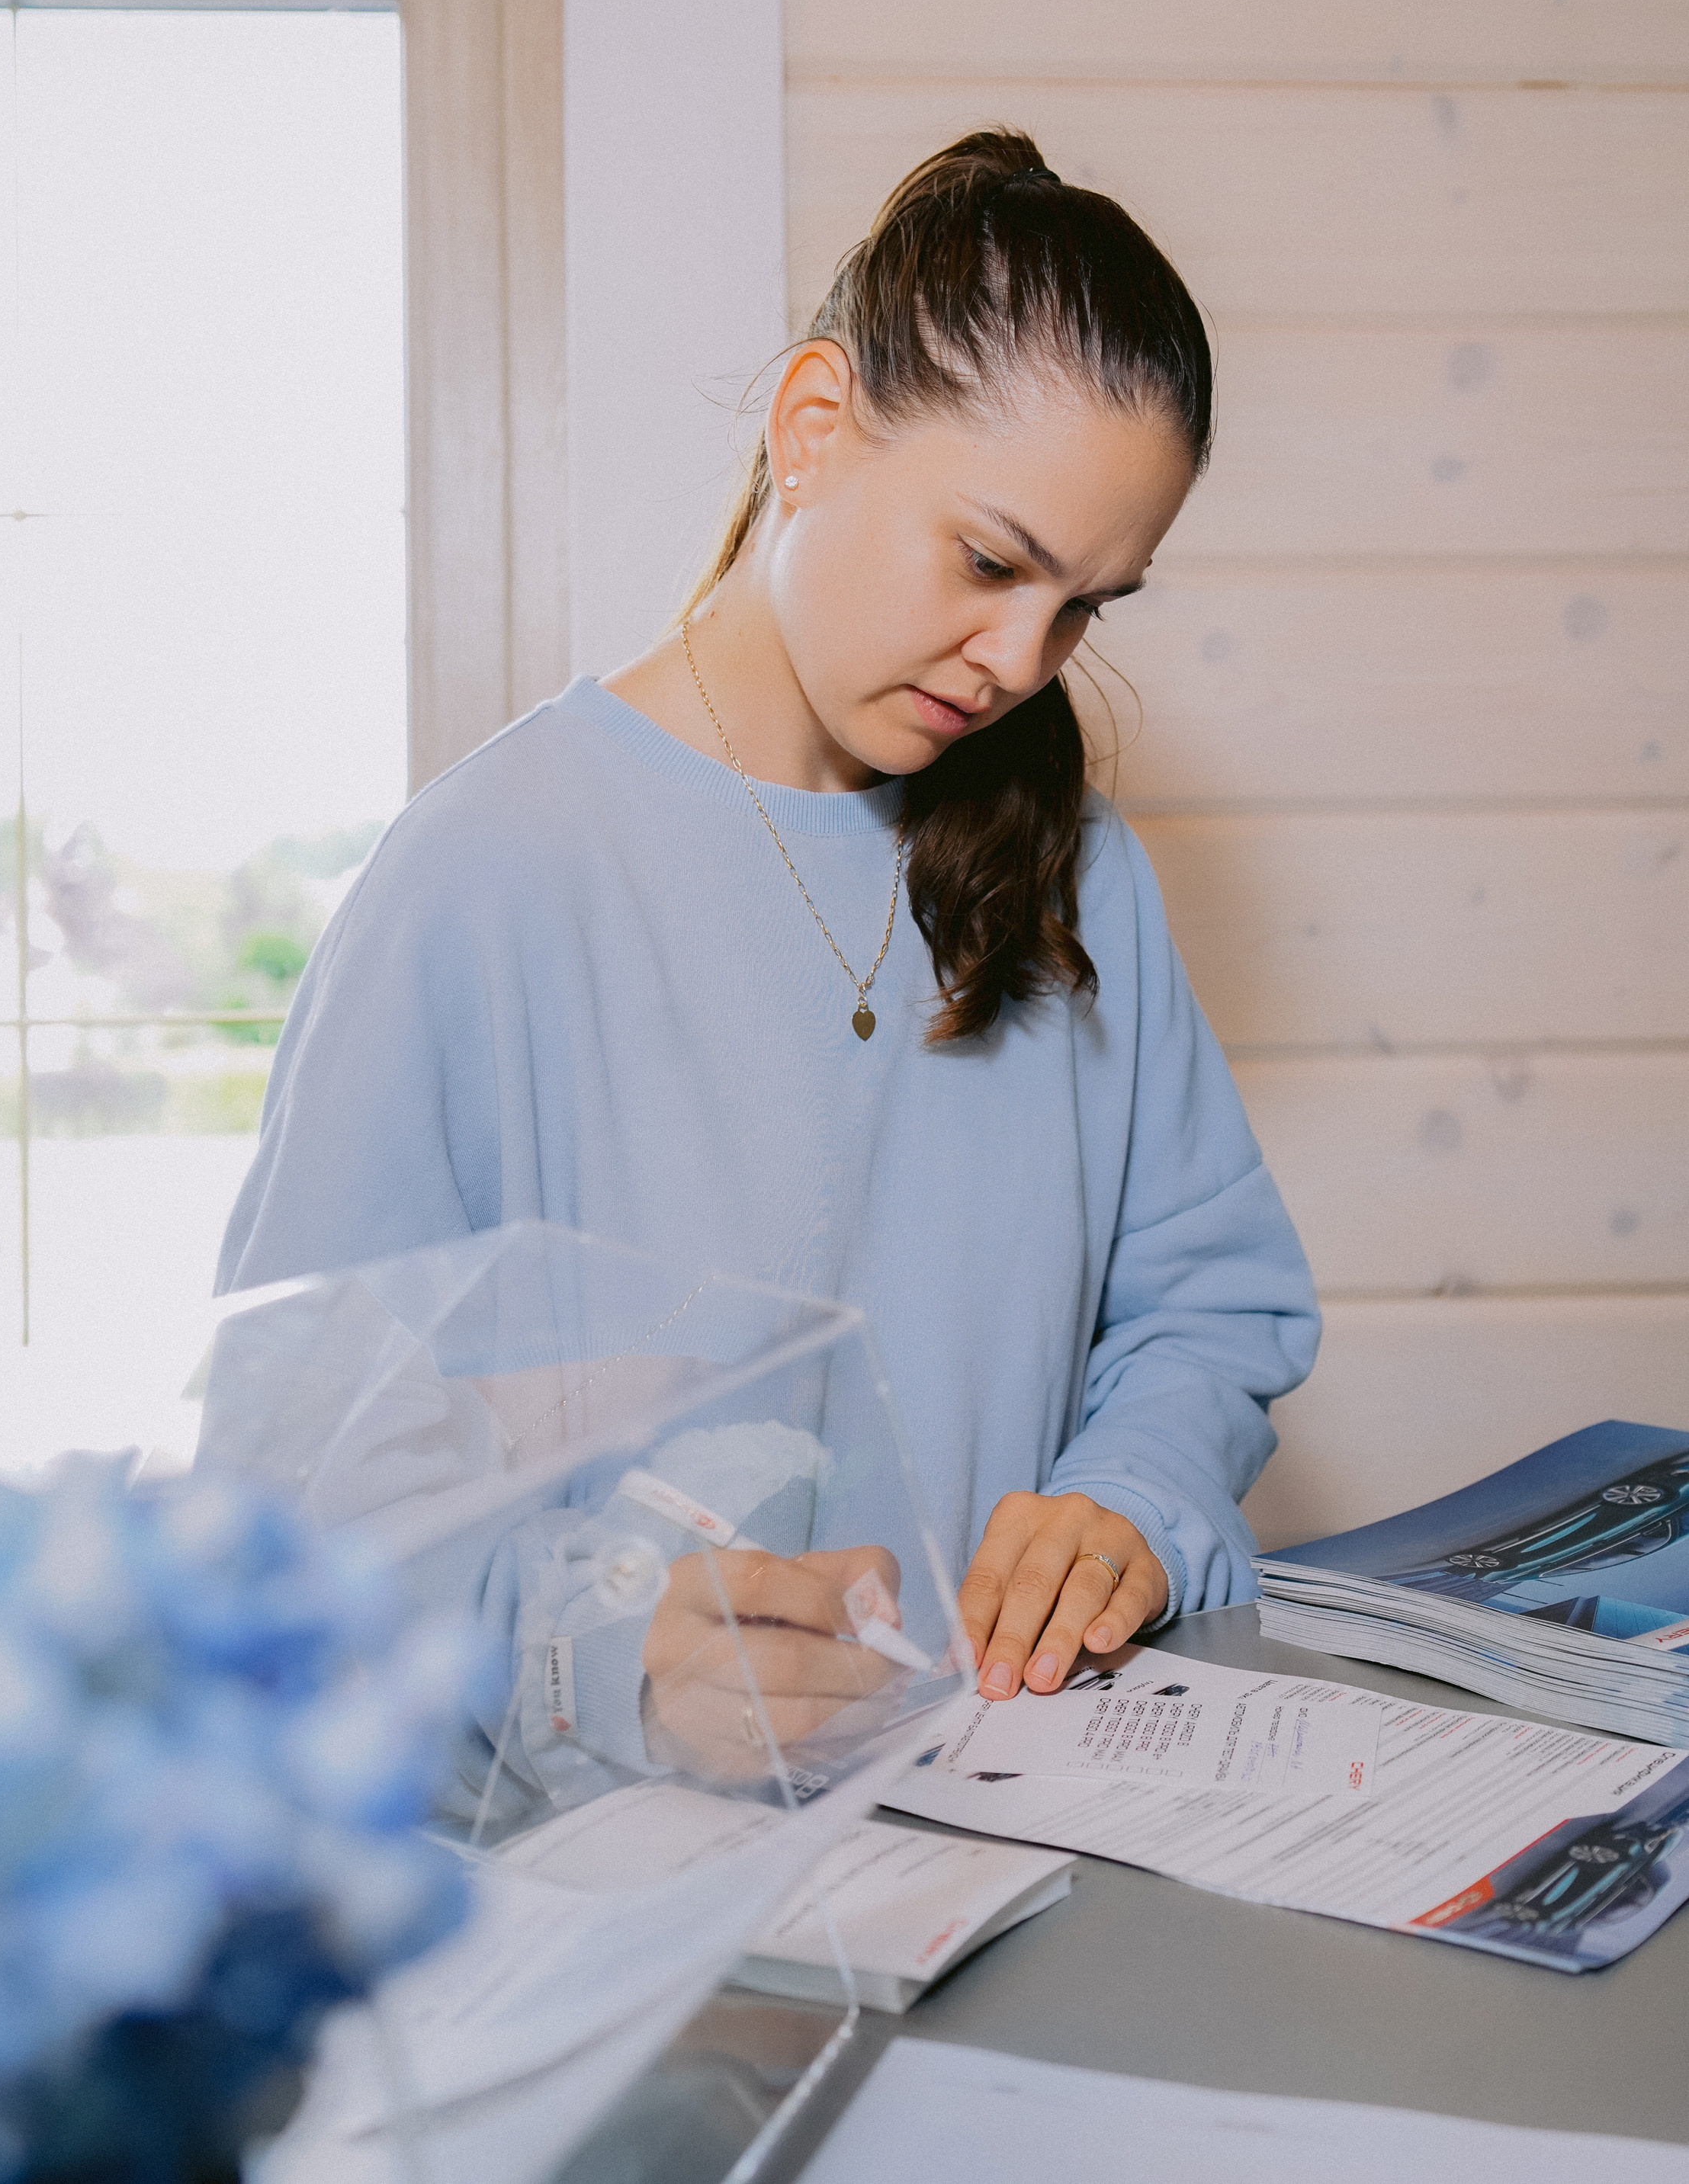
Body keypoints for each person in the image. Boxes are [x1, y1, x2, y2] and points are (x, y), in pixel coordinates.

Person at [217, 129, 1318, 1728]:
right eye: (991, 560)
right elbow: (289, 1495)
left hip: (1009, 1853)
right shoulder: (482, 878)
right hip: (600, 1908)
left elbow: (1209, 1305)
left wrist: (1132, 1500)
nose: (1022, 658)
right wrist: (599, 1663)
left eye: (1084, 604)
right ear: (813, 428)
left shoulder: (1081, 872)